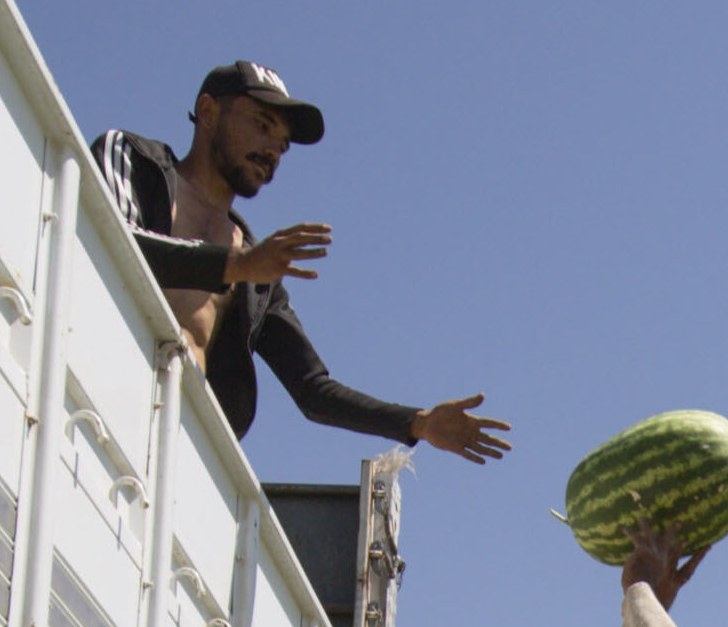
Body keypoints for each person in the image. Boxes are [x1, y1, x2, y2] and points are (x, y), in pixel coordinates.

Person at [93, 63, 508, 465]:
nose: (274, 149)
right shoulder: (135, 161)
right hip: (94, 393)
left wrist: (417, 424)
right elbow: (117, 244)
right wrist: (238, 266)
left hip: (175, 447)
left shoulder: (258, 273)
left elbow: (313, 389)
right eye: (262, 124)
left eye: (283, 143)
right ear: (207, 112)